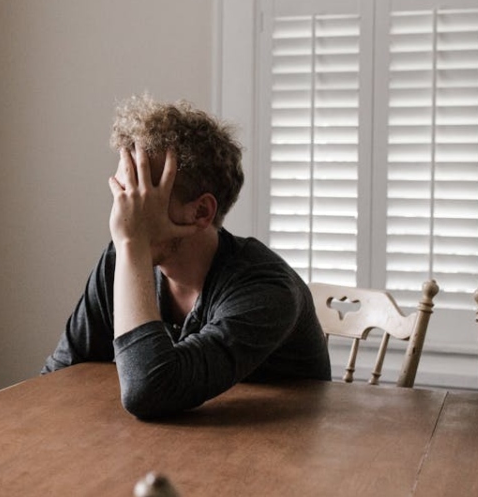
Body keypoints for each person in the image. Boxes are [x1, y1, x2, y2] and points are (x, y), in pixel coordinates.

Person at [42, 94, 330, 418]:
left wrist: (133, 244)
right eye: (122, 193)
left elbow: (149, 391)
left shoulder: (267, 290)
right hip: (175, 441)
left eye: (140, 196)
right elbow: (58, 377)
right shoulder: (120, 260)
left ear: (201, 211)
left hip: (281, 444)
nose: (122, 214)